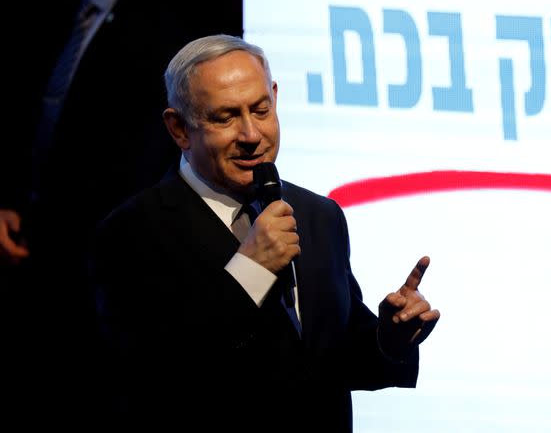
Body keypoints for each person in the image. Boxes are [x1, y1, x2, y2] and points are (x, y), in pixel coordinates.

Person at [90, 34, 440, 428]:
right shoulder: (131, 233)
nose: (251, 135)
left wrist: (388, 340)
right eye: (225, 117)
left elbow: (328, 359)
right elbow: (155, 376)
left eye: (260, 110)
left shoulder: (319, 215)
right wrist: (251, 271)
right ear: (179, 129)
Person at [0, 0, 190, 420]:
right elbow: (47, 125)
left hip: (104, 275)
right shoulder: (69, 7)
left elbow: (139, 158)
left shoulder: (162, 19)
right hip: (47, 262)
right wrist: (18, 206)